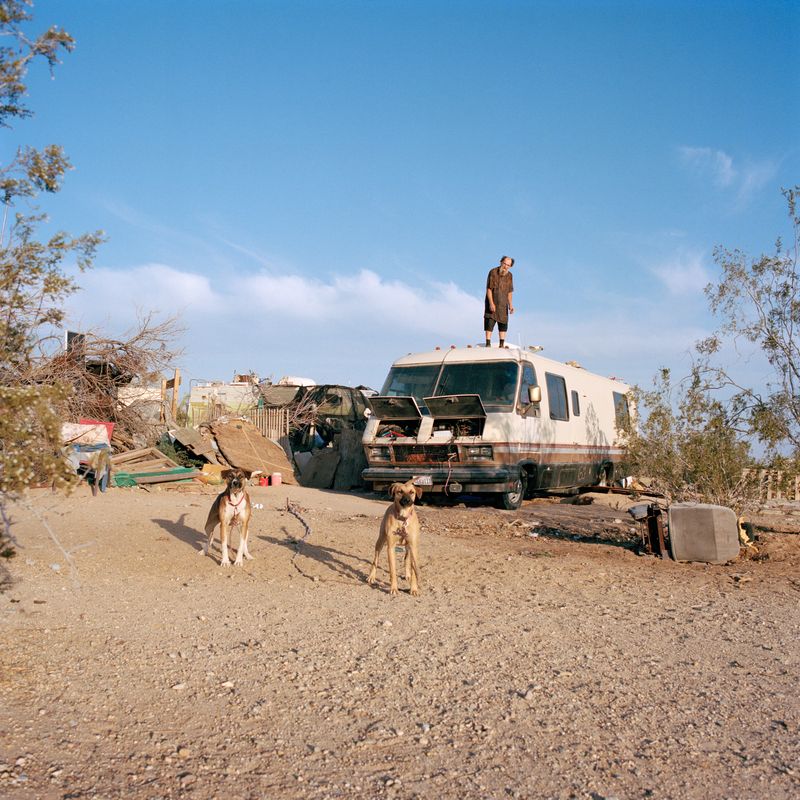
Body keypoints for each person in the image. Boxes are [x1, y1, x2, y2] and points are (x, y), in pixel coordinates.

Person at [484, 255, 515, 347]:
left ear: (510, 266)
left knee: (503, 324)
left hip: (503, 305)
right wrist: (491, 303)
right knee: (489, 322)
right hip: (492, 303)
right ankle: (488, 343)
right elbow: (489, 289)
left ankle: (501, 344)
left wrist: (511, 305)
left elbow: (509, 291)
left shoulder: (510, 276)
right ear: (501, 262)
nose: (505, 266)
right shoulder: (493, 272)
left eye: (508, 265)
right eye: (504, 264)